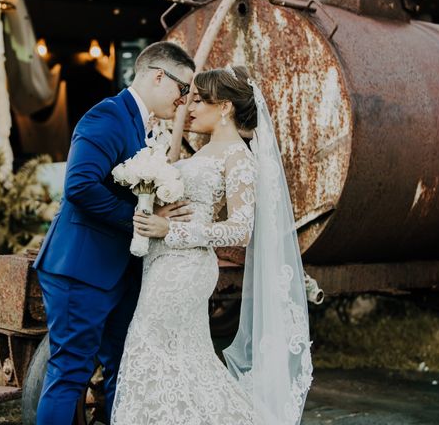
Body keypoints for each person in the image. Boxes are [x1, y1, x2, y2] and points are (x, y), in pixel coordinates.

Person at [111, 65, 313, 425]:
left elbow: (240, 230)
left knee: (151, 349)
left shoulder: (238, 158)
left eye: (200, 100)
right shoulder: (204, 152)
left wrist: (169, 231)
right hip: (164, 264)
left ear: (225, 108)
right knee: (177, 358)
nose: (190, 108)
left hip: (186, 269)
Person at [31, 41, 195, 425]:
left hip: (119, 271)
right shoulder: (106, 117)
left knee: (125, 367)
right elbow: (80, 186)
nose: (184, 99)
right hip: (80, 269)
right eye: (182, 89)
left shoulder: (143, 125)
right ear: (159, 76)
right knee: (70, 372)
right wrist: (138, 220)